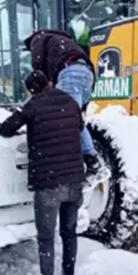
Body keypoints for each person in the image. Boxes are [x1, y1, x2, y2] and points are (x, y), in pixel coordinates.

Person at [0, 70, 85, 275]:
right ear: (50, 82)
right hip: (75, 180)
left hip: (49, 183)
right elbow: (79, 126)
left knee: (46, 238)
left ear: (31, 90)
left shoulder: (32, 105)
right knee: (69, 232)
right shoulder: (70, 101)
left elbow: (6, 129)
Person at [22, 29, 110, 186]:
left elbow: (38, 68)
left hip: (70, 72)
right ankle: (80, 163)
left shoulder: (37, 39)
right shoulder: (63, 41)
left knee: (71, 121)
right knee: (75, 119)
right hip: (88, 73)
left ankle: (93, 164)